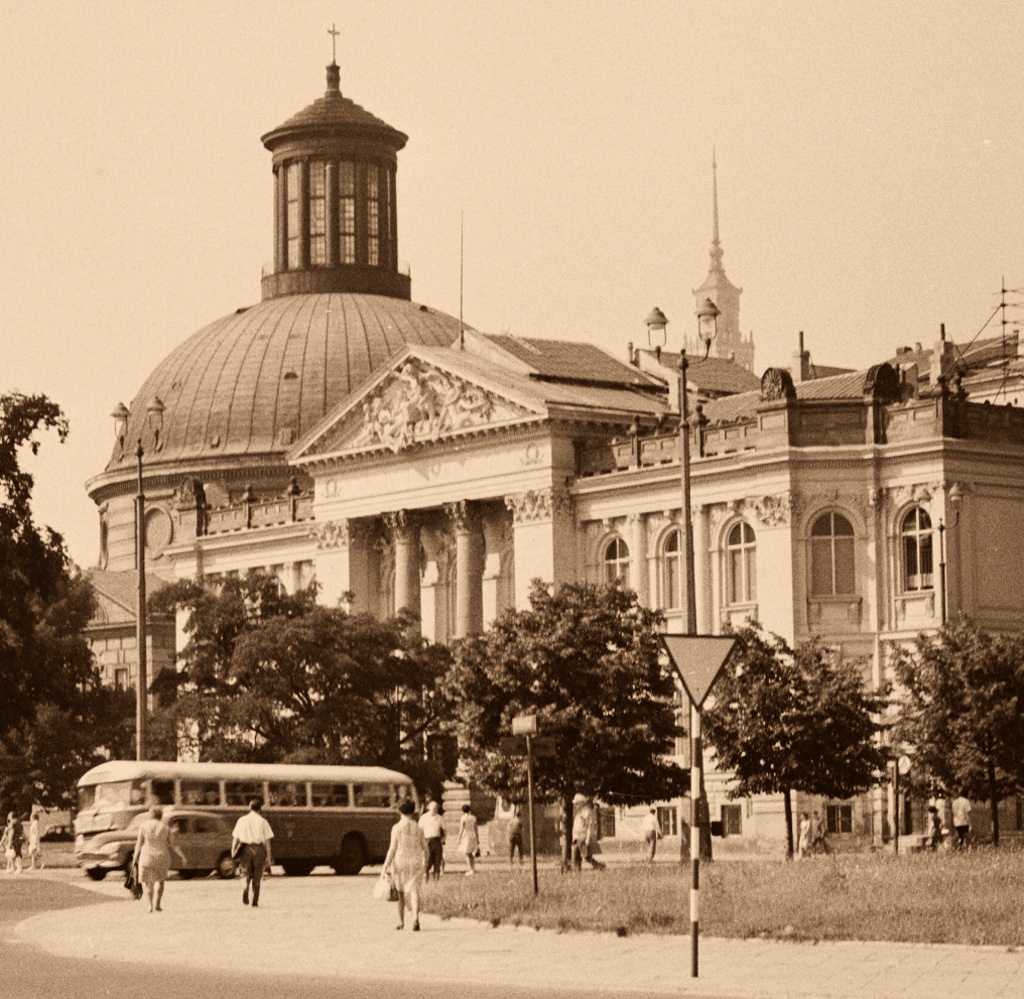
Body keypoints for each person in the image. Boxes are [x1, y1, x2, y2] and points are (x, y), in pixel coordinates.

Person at [383, 798, 428, 931]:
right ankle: (415, 918)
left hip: (400, 861)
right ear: (413, 810)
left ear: (399, 810)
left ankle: (401, 922)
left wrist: (385, 865)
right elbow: (425, 848)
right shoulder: (418, 828)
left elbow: (392, 848)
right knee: (414, 892)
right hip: (415, 861)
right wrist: (426, 863)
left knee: (401, 894)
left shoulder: (396, 828)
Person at [132, 805, 186, 913]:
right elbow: (173, 844)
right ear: (161, 815)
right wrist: (182, 857)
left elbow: (139, 843)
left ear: (150, 814)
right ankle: (158, 904)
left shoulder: (143, 826)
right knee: (160, 882)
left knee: (149, 883)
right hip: (162, 856)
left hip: (147, 856)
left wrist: (135, 858)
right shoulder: (166, 827)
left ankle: (149, 905)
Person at [231, 798, 274, 908]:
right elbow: (267, 841)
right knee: (257, 875)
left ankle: (245, 887)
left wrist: (233, 851)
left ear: (249, 808)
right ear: (260, 809)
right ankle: (254, 901)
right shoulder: (263, 821)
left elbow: (235, 838)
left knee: (245, 872)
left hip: (246, 849)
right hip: (259, 849)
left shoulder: (242, 820)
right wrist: (268, 856)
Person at [571, 796, 602, 871]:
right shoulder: (578, 813)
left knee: (586, 856)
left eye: (577, 804)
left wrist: (588, 839)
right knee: (575, 856)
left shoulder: (587, 812)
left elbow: (589, 827)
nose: (575, 805)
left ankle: (599, 866)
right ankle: (576, 871)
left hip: (582, 837)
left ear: (581, 804)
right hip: (576, 837)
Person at [418, 800, 445, 880]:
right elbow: (420, 830)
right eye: (432, 808)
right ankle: (425, 875)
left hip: (437, 839)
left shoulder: (440, 818)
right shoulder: (424, 817)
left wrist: (443, 839)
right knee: (427, 858)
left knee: (438, 858)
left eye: (436, 808)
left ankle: (436, 875)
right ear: (428, 807)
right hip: (427, 840)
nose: (434, 809)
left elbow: (445, 830)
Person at [458, 804, 479, 875]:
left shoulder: (463, 818)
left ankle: (471, 869)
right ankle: (473, 868)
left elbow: (462, 828)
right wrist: (478, 838)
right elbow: (476, 829)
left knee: (467, 853)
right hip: (473, 835)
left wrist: (459, 838)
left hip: (466, 835)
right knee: (471, 854)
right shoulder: (474, 817)